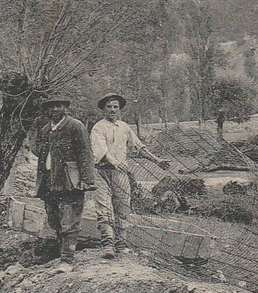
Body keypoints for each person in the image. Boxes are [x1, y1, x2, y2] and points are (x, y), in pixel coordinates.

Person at [90, 93, 171, 258]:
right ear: (103, 109)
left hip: (120, 173)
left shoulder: (124, 127)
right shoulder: (98, 127)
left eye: (115, 107)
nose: (112, 110)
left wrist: (157, 160)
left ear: (119, 110)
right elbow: (101, 150)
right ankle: (107, 245)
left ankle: (121, 244)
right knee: (103, 207)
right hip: (102, 172)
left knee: (123, 207)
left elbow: (139, 147)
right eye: (109, 107)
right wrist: (113, 161)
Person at [34, 93, 98, 268]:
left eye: (59, 106)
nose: (55, 109)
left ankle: (67, 259)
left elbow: (85, 154)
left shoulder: (75, 126)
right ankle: (58, 254)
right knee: (54, 219)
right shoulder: (45, 130)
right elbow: (39, 154)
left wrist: (86, 180)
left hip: (70, 181)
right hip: (49, 181)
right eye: (51, 106)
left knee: (69, 220)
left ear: (65, 108)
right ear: (46, 109)